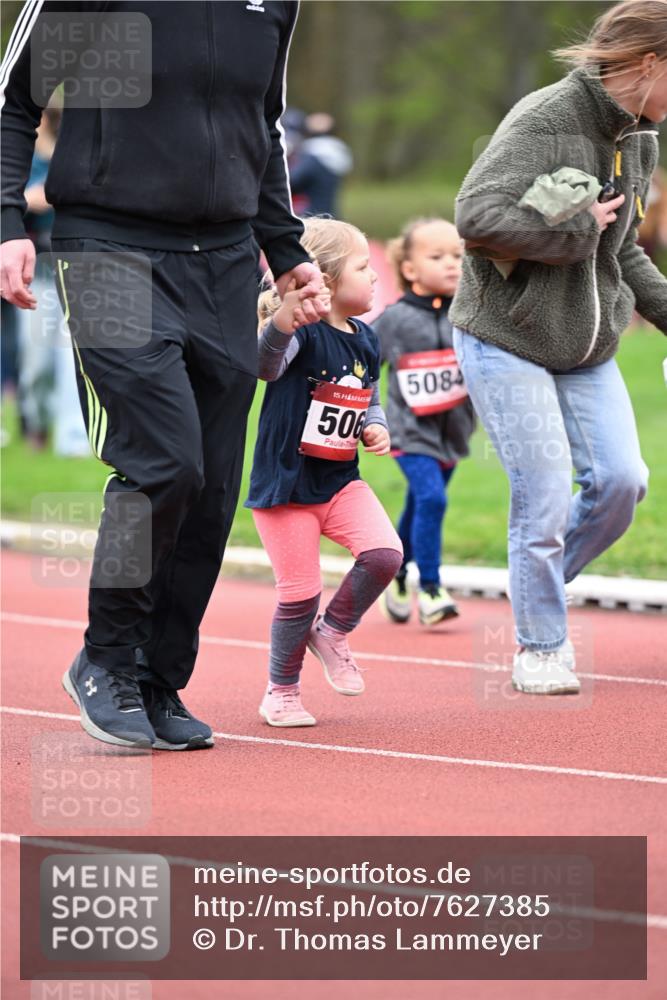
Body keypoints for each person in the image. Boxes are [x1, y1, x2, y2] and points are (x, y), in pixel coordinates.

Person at [1, 1, 326, 750]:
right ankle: (105, 660)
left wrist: (284, 245)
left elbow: (263, 123)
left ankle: (158, 679)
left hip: (224, 257)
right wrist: (6, 222)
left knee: (211, 486)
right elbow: (14, 100)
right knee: (164, 464)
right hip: (109, 246)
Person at [449, 0, 667, 694]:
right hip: (507, 336)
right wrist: (574, 227)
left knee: (620, 482)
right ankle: (539, 645)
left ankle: (531, 581)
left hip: (586, 345)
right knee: (539, 502)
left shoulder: (640, 138)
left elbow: (620, 250)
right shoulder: (545, 119)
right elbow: (474, 217)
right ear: (648, 63)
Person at [247, 218, 403, 727]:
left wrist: (374, 426)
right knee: (298, 594)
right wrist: (281, 325)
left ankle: (333, 630)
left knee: (384, 555)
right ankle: (282, 691)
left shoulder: (366, 338)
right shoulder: (301, 334)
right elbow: (266, 367)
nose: (376, 276)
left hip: (339, 481)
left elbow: (368, 395)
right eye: (364, 267)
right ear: (327, 281)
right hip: (287, 486)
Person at [375, 218, 475, 627]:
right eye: (437, 257)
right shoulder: (393, 320)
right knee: (432, 500)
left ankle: (394, 572)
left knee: (421, 504)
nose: (452, 264)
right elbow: (360, 364)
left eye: (458, 255)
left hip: (453, 433)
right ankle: (431, 589)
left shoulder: (471, 315)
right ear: (410, 269)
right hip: (408, 432)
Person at [289, 112, 353, 218]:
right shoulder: (337, 151)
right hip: (331, 213)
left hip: (313, 217)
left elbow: (293, 183)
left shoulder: (314, 154)